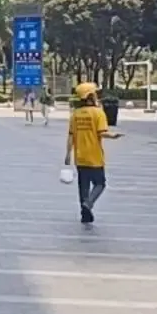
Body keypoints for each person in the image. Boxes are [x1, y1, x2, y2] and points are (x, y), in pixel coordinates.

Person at [64, 82, 122, 224]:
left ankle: (85, 214)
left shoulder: (75, 114)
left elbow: (71, 136)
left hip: (80, 157)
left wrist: (68, 154)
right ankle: (88, 204)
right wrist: (113, 136)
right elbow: (102, 133)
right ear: (91, 96)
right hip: (94, 156)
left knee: (83, 186)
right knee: (100, 183)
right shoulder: (98, 113)